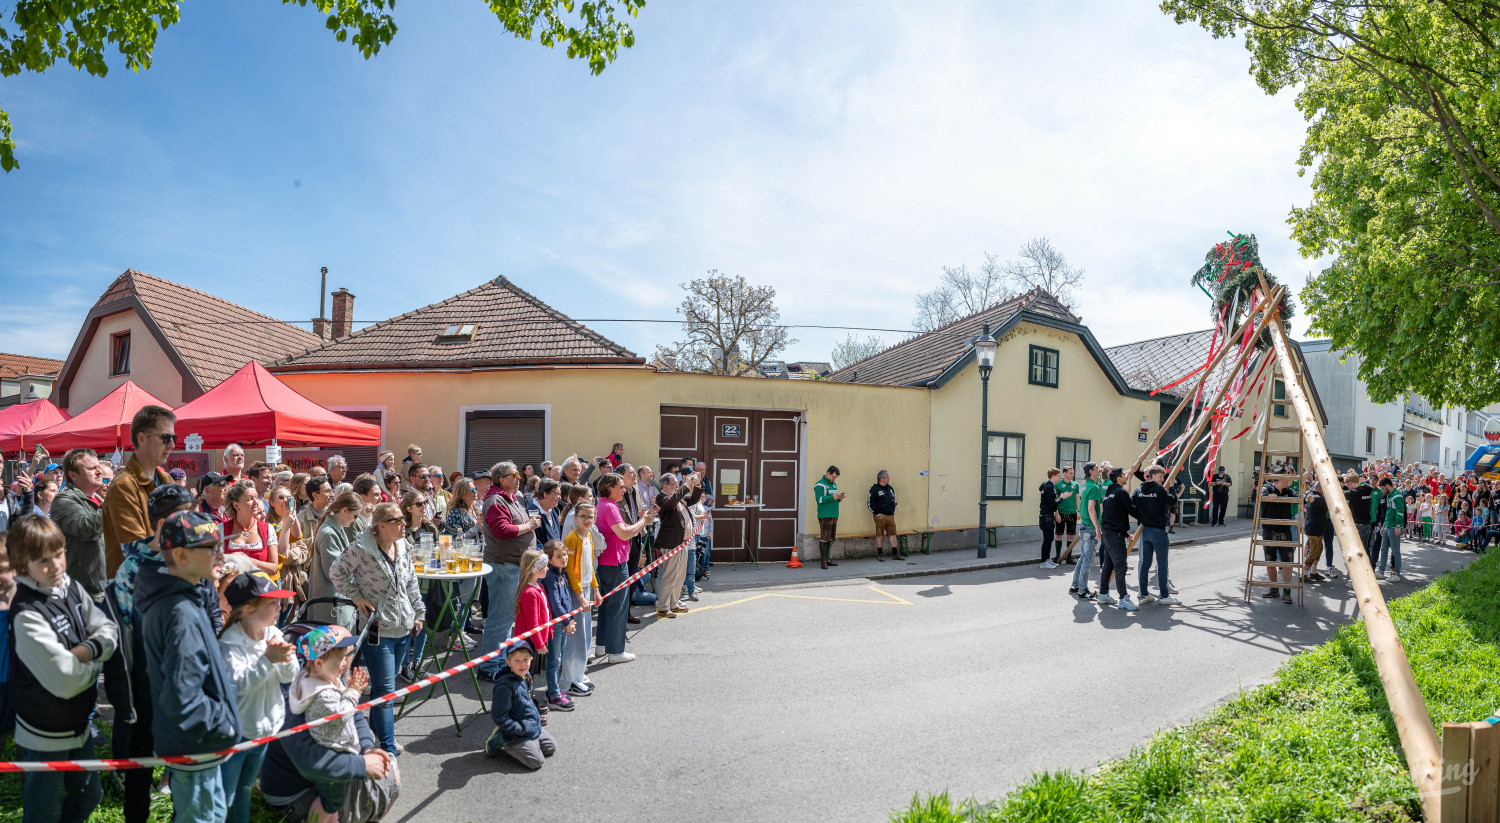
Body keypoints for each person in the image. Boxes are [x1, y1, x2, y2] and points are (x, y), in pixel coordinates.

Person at [8, 515, 118, 823]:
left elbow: (107, 629)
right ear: (22, 566)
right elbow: (66, 681)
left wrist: (84, 651)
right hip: (44, 733)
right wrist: (98, 656)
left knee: (90, 797)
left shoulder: (68, 585)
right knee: (44, 812)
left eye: (59, 553)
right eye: (43, 561)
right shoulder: (27, 615)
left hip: (77, 724)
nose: (56, 565)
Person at [138, 510, 243, 823]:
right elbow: (184, 700)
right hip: (197, 749)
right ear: (182, 555)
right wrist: (222, 725)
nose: (219, 554)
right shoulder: (180, 615)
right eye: (210, 548)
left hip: (195, 748)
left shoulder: (184, 597)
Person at [329, 501, 423, 757]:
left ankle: (372, 736)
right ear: (381, 525)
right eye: (398, 520)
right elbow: (336, 572)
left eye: (403, 519)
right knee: (385, 691)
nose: (404, 524)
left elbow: (412, 582)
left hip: (404, 626)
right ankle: (388, 747)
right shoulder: (361, 548)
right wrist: (356, 596)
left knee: (387, 687)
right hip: (376, 628)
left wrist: (419, 613)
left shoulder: (403, 545)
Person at [217, 571, 297, 823]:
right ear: (249, 609)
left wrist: (283, 660)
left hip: (264, 730)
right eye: (272, 602)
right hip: (237, 735)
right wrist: (267, 660)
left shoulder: (272, 633)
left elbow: (289, 677)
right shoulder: (229, 644)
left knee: (246, 787)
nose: (279, 607)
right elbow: (239, 685)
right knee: (226, 793)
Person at [287, 625, 372, 823]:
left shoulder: (320, 678)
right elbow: (341, 714)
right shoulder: (322, 692)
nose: (344, 663)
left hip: (331, 751)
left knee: (331, 802)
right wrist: (353, 692)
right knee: (331, 802)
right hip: (332, 754)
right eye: (339, 659)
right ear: (318, 663)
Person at [477, 462, 543, 681]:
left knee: (507, 618)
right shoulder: (495, 500)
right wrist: (530, 526)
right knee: (500, 618)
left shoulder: (511, 498)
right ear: (501, 479)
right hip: (504, 566)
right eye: (512, 475)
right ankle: (489, 666)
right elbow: (503, 530)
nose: (517, 477)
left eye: (517, 474)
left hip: (516, 566)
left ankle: (499, 660)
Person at [102, 404, 177, 577]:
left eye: (174, 437)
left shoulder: (167, 480)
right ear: (142, 439)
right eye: (165, 438)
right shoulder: (124, 486)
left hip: (165, 584)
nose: (172, 444)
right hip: (134, 592)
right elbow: (137, 548)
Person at [595, 472, 654, 663]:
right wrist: (643, 522)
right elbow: (623, 533)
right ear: (610, 487)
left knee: (607, 607)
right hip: (615, 561)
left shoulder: (603, 504)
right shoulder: (610, 506)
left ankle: (602, 646)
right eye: (620, 486)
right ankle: (616, 651)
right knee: (618, 608)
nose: (623, 489)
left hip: (609, 561)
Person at [484, 640, 556, 770]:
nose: (522, 664)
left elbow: (528, 702)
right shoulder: (504, 687)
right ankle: (505, 742)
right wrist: (521, 729)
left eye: (525, 659)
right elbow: (499, 716)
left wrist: (533, 722)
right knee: (537, 762)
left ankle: (530, 743)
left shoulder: (527, 676)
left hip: (530, 725)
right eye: (517, 660)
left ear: (531, 659)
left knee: (551, 747)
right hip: (516, 733)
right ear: (508, 662)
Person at [51, 447, 107, 602]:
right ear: (73, 475)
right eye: (92, 468)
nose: (99, 472)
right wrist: (112, 501)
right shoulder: (63, 500)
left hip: (108, 588)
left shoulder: (99, 499)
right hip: (83, 594)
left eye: (98, 467)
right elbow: (88, 529)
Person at [560, 502, 601, 694]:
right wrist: (581, 596)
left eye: (590, 517)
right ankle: (568, 681)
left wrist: (595, 589)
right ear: (575, 517)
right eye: (583, 516)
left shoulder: (589, 536)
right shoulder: (572, 538)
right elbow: (569, 570)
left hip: (585, 590)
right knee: (574, 638)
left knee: (585, 637)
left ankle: (579, 674)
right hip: (575, 592)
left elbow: (590, 565)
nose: (587, 520)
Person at [308, 491, 362, 629]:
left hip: (337, 602)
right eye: (355, 515)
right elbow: (333, 572)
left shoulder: (336, 527)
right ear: (344, 510)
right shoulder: (329, 533)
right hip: (333, 605)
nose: (355, 520)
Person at [511, 548, 557, 708]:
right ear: (535, 568)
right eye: (544, 566)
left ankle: (528, 701)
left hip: (536, 640)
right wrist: (540, 644)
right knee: (525, 674)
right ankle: (525, 704)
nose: (547, 568)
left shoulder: (538, 587)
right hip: (529, 643)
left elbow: (546, 613)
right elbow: (533, 624)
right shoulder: (530, 593)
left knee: (530, 675)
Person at [652, 471, 702, 618]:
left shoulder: (678, 497)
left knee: (679, 575)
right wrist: (685, 485)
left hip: (682, 542)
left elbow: (693, 499)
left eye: (677, 484)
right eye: (674, 484)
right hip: (671, 542)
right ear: (665, 485)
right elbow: (671, 502)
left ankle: (674, 602)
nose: (677, 486)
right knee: (670, 575)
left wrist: (697, 484)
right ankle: (663, 606)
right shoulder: (662, 498)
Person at [1131, 464, 1179, 605]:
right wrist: (1171, 487)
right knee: (1162, 564)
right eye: (1160, 476)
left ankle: (1144, 594)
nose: (1162, 479)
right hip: (1158, 531)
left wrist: (1142, 516)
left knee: (1145, 564)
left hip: (1145, 530)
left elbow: (1132, 504)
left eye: (1163, 476)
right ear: (1151, 476)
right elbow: (1173, 501)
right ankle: (1164, 596)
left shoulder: (1138, 489)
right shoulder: (1159, 489)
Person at [539, 541, 577, 711]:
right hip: (556, 624)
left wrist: (570, 620)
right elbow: (555, 604)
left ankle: (554, 691)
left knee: (559, 658)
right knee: (554, 661)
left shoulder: (561, 574)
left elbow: (566, 599)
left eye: (565, 555)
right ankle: (553, 696)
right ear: (549, 560)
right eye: (559, 556)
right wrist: (567, 622)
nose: (564, 558)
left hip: (562, 622)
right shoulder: (550, 577)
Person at [223, 482, 283, 578]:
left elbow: (273, 569)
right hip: (230, 590)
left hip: (259, 589)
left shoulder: (267, 529)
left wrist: (246, 560)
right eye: (250, 499)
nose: (256, 502)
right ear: (236, 505)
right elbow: (212, 564)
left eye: (257, 497)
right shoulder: (221, 529)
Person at [1097, 467, 1137, 610]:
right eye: (1124, 475)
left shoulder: (1110, 493)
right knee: (1121, 566)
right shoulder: (1121, 492)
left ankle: (1103, 595)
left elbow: (1112, 515)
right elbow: (1131, 509)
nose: (1126, 476)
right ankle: (1123, 599)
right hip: (1114, 535)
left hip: (1107, 532)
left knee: (1108, 565)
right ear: (1119, 479)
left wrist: (1126, 534)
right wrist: (1147, 516)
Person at [1258, 473, 1298, 603]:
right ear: (1281, 479)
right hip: (1269, 531)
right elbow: (1262, 495)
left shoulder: (1288, 491)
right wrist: (1269, 496)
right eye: (1287, 478)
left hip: (1285, 532)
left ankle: (1286, 591)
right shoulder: (1267, 488)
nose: (1289, 481)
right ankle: (1274, 588)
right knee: (1271, 562)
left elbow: (1299, 497)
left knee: (1287, 563)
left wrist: (1308, 497)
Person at [1069, 462, 1103, 599]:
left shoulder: (1087, 485)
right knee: (1088, 560)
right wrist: (1097, 528)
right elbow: (1091, 509)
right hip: (1089, 526)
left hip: (1084, 525)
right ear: (1091, 471)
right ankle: (1083, 590)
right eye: (1096, 469)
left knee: (1083, 557)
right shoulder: (1093, 487)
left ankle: (1075, 585)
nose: (1099, 470)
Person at [813, 466, 845, 569]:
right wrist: (833, 497)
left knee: (830, 538)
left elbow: (833, 499)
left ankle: (827, 559)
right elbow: (819, 500)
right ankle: (823, 562)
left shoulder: (834, 485)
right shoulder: (819, 484)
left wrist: (839, 498)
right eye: (833, 477)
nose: (834, 479)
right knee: (824, 538)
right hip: (825, 515)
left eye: (835, 477)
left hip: (834, 514)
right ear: (827, 473)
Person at [868, 470, 901, 562]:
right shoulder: (874, 489)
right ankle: (880, 554)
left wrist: (895, 503)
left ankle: (895, 553)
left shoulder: (890, 488)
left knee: (893, 534)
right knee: (880, 534)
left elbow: (893, 499)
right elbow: (870, 503)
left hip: (890, 515)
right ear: (881, 479)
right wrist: (877, 513)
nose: (889, 478)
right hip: (880, 516)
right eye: (887, 477)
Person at [1376, 476, 1405, 582]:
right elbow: (1388, 512)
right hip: (1387, 526)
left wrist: (1398, 526)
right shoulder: (1388, 495)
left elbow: (1400, 512)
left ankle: (1396, 574)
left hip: (1394, 527)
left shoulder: (1397, 496)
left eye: (1383, 489)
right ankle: (1381, 571)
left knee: (1395, 551)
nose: (1382, 491)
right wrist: (1383, 526)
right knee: (1383, 550)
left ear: (1387, 486)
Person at [1301, 481, 1330, 583]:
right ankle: (1304, 575)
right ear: (1321, 489)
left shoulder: (1311, 495)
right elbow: (1329, 508)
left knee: (1318, 549)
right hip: (1315, 529)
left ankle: (1313, 572)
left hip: (1313, 528)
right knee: (1313, 552)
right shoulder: (1319, 499)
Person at [1053, 466, 1079, 562]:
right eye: (1070, 473)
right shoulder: (1058, 485)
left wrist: (1078, 511)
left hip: (1072, 513)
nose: (1072, 475)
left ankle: (1069, 557)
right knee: (1059, 535)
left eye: (1073, 473)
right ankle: (1057, 556)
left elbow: (1077, 499)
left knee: (1070, 535)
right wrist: (1057, 513)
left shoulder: (1075, 485)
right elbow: (1055, 500)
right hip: (1061, 513)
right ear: (1065, 473)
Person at [528, 478, 563, 549]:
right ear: (545, 494)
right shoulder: (533, 512)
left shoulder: (553, 510)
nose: (560, 497)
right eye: (557, 494)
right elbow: (536, 542)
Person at [1038, 468, 1060, 569]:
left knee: (1049, 539)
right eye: (1058, 476)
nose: (1059, 478)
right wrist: (1062, 497)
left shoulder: (1049, 486)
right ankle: (1044, 561)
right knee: (1047, 539)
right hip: (1046, 517)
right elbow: (1052, 503)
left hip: (1046, 516)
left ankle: (1046, 559)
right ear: (1053, 476)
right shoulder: (1049, 487)